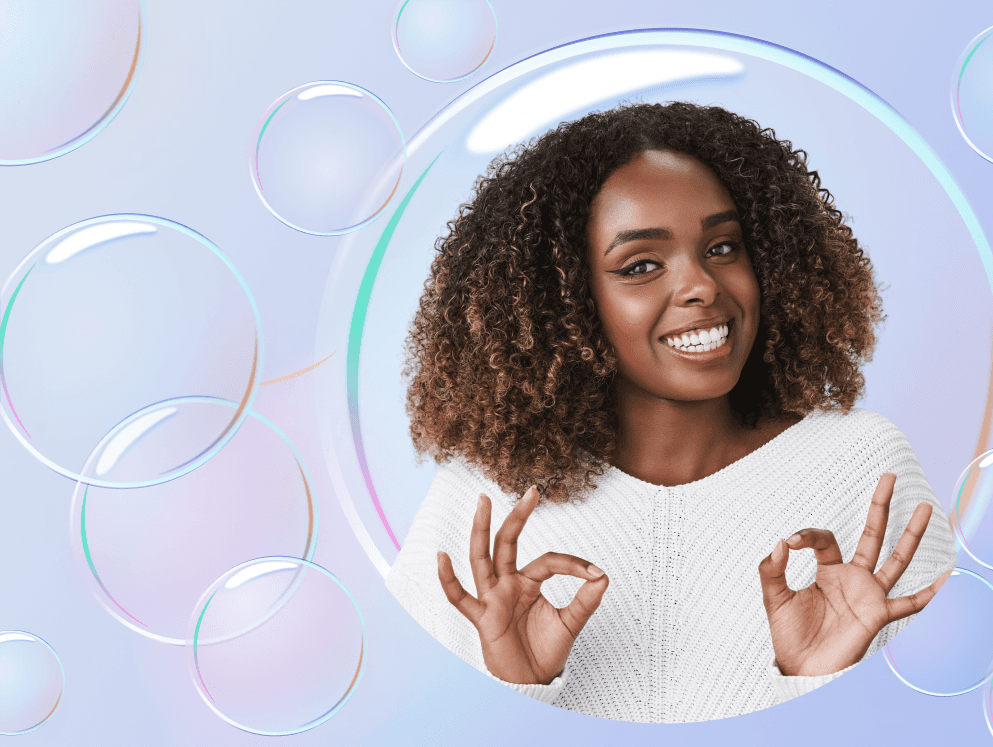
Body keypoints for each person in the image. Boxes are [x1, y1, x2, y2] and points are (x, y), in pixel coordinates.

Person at [387, 101, 956, 723]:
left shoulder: (862, 470)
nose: (702, 286)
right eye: (641, 265)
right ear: (567, 300)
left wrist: (816, 684)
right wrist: (516, 690)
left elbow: (946, 715)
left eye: (722, 247)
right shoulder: (487, 500)